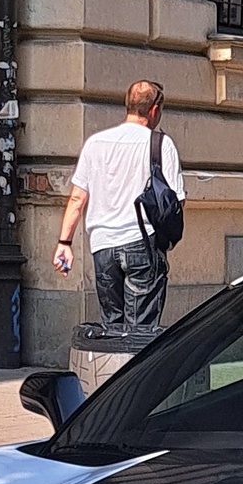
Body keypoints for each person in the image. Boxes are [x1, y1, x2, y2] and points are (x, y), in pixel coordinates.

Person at [54, 78, 184, 338]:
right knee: (141, 332)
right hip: (142, 241)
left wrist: (64, 243)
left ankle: (114, 376)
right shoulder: (160, 144)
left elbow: (77, 199)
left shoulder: (95, 143)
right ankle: (137, 378)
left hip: (102, 246)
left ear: (128, 105)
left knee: (112, 329)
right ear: (154, 110)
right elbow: (176, 201)